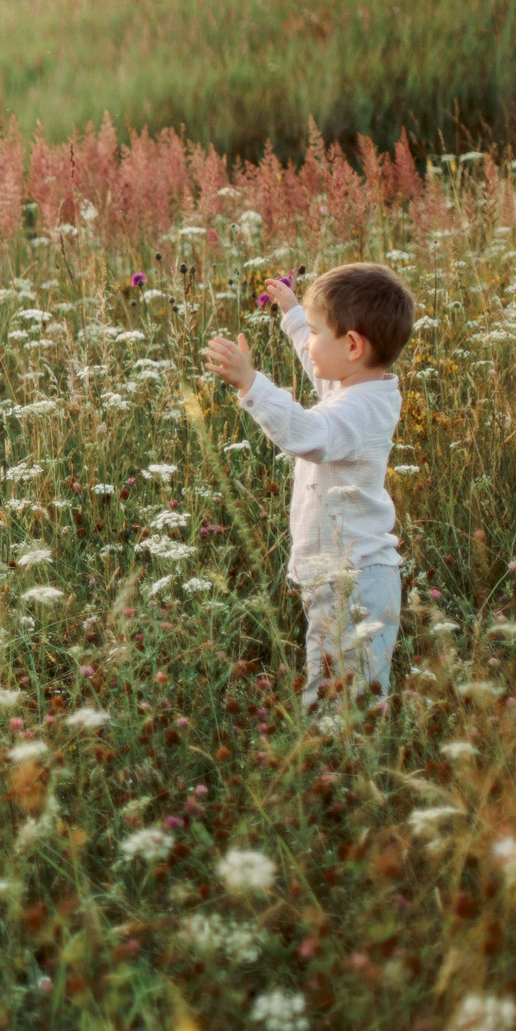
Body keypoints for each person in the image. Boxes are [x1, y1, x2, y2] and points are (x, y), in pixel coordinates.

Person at [201, 262, 416, 714]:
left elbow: (305, 433)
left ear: (353, 345)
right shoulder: (360, 387)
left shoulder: (356, 413)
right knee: (341, 688)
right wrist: (297, 316)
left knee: (341, 699)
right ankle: (342, 766)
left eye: (318, 332)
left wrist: (251, 384)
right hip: (343, 575)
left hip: (352, 581)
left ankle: (341, 773)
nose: (310, 342)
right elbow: (322, 366)